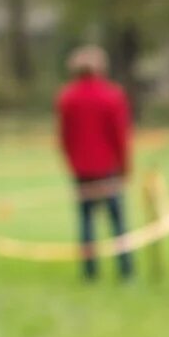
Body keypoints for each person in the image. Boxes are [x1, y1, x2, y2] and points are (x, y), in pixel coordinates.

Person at [54, 45, 134, 283]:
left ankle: (90, 272)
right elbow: (120, 135)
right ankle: (125, 270)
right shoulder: (111, 95)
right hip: (108, 168)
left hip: (82, 169)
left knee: (86, 221)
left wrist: (72, 162)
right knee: (118, 221)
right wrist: (125, 166)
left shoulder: (67, 96)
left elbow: (64, 137)